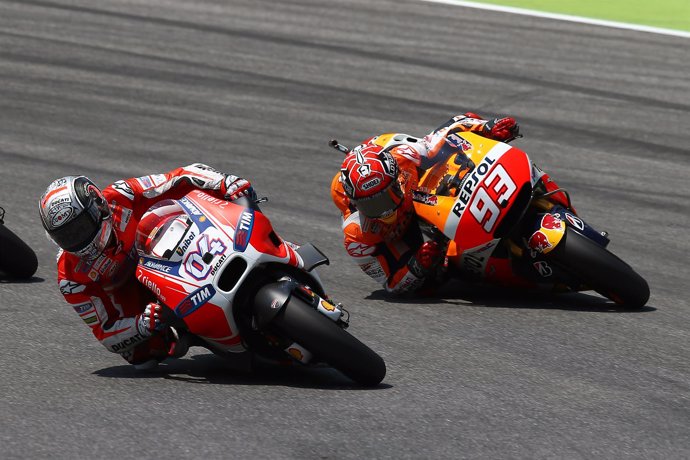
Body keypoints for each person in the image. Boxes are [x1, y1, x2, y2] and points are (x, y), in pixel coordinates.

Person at [39, 164, 255, 369]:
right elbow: (105, 331)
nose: (78, 239)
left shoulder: (122, 194)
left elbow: (179, 177)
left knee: (227, 196)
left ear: (97, 205)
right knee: (141, 357)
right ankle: (194, 334)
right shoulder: (70, 278)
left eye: (81, 228)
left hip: (179, 246)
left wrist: (224, 182)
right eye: (67, 236)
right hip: (139, 296)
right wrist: (141, 325)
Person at [330, 112, 520, 295]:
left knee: (457, 158)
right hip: (399, 237)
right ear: (356, 203)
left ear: (395, 179)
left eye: (386, 197)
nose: (384, 211)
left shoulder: (404, 156)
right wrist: (417, 266)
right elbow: (391, 284)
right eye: (372, 206)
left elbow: (448, 131)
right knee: (432, 282)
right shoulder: (357, 235)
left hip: (417, 192)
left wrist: (487, 127)